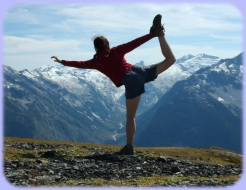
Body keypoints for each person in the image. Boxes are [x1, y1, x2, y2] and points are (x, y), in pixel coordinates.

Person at [51, 14, 176, 155]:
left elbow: (79, 64)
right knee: (170, 59)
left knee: (130, 117)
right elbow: (134, 43)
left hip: (132, 81)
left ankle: (129, 147)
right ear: (107, 45)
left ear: (96, 48)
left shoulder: (96, 62)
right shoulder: (116, 51)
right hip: (140, 71)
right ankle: (160, 35)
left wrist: (62, 61)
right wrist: (152, 35)